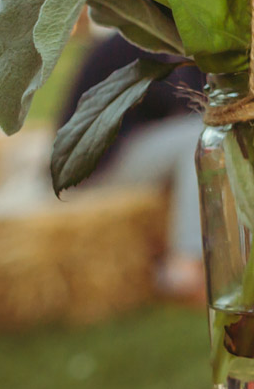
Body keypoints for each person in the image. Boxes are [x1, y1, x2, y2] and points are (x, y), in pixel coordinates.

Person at [55, 31, 207, 296]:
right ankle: (185, 264)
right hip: (95, 164)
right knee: (200, 137)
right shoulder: (132, 46)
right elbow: (183, 101)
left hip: (120, 149)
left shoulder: (172, 44)